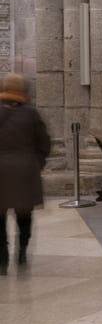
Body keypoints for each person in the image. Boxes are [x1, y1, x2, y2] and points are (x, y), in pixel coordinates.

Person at [0, 74, 52, 275]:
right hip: (25, 172)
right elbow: (44, 144)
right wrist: (37, 163)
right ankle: (21, 255)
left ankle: (2, 260)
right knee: (24, 216)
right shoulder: (31, 114)